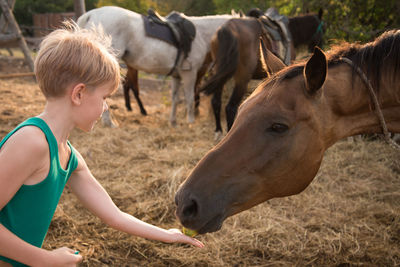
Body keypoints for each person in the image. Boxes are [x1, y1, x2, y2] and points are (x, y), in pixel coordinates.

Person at [0, 22, 203, 267]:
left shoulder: (68, 155)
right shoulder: (32, 141)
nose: (106, 107)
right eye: (105, 97)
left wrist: (167, 235)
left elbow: (114, 216)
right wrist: (44, 259)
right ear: (78, 94)